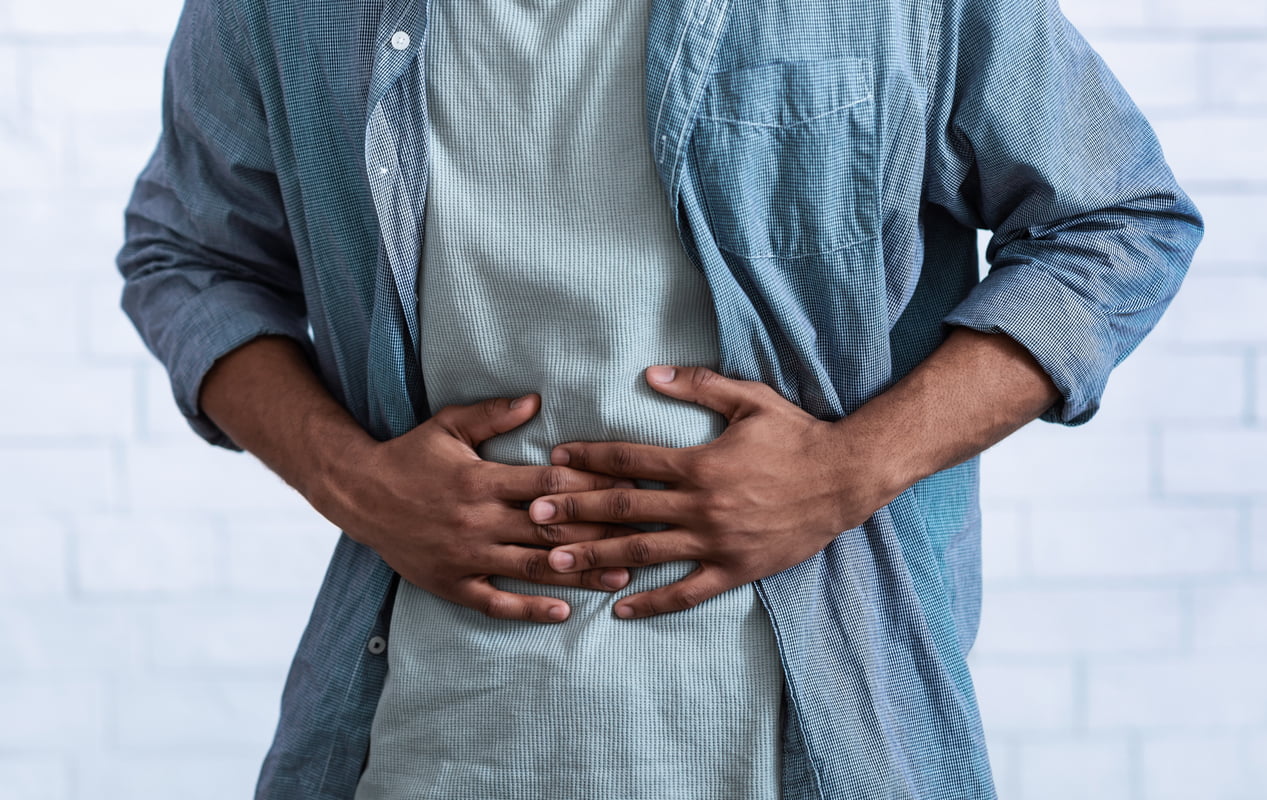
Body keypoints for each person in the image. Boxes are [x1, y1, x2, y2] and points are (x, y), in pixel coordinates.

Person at [116, 0, 1203, 796]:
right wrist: (351, 478)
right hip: (428, 739)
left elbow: (1114, 221)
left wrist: (840, 471)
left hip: (816, 740)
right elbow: (188, 256)